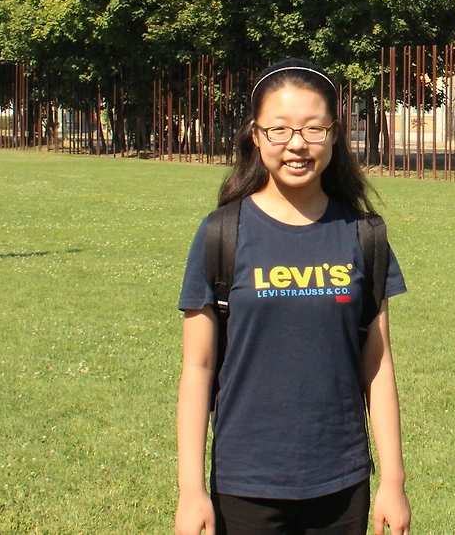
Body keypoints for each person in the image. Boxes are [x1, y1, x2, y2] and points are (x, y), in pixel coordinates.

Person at [175, 59, 410, 535]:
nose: (297, 144)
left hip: (341, 481)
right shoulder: (221, 234)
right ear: (256, 136)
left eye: (312, 128)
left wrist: (393, 481)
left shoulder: (364, 234)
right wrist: (191, 491)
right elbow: (198, 368)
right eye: (279, 129)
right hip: (245, 483)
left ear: (335, 134)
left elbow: (378, 364)